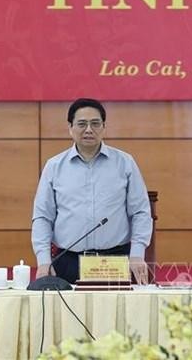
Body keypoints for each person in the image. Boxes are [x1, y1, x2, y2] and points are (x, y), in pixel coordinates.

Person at [31, 98, 153, 285]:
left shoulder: (125, 163)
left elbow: (141, 212)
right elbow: (42, 217)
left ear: (104, 127)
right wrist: (43, 260)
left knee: (115, 314)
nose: (89, 129)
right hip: (67, 261)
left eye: (95, 123)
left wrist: (137, 254)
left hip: (114, 261)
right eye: (82, 124)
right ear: (70, 128)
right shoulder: (54, 166)